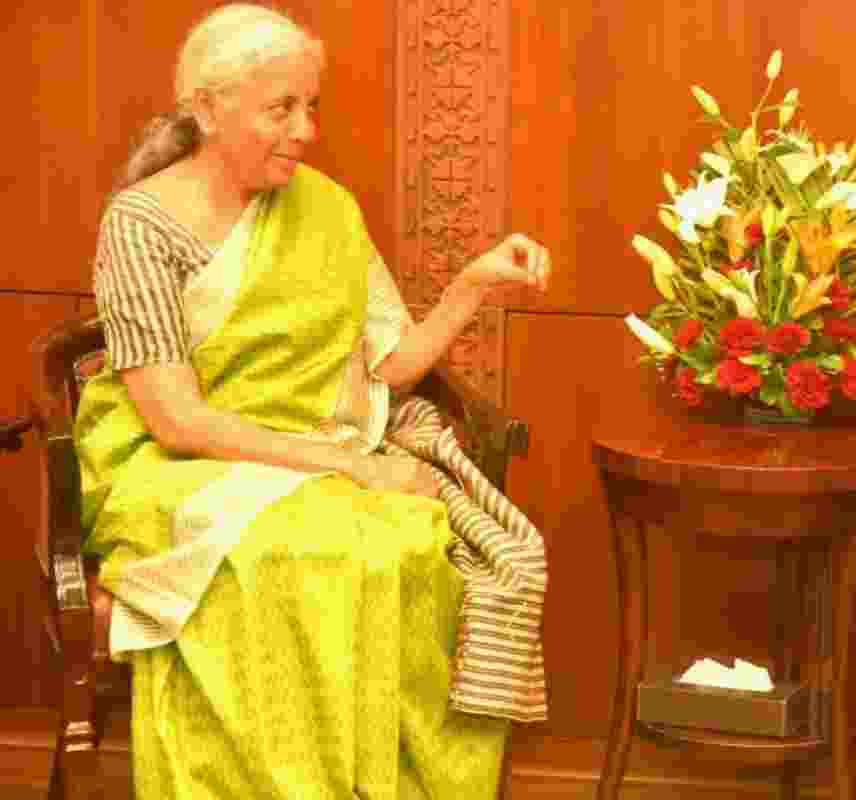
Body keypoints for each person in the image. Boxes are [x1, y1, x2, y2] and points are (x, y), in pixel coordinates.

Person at [74, 4, 552, 797]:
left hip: (316, 453)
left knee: (400, 543)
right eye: (281, 108)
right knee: (296, 553)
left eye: (311, 106)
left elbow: (391, 365)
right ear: (207, 109)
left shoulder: (325, 206)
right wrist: (353, 468)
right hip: (179, 467)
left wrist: (475, 283)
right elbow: (176, 421)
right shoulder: (140, 225)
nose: (306, 130)